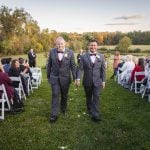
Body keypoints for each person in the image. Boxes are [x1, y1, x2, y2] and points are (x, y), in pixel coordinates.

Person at [47, 36, 76, 123]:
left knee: (64, 95)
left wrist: (75, 78)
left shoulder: (70, 52)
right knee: (55, 94)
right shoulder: (52, 52)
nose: (60, 45)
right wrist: (48, 76)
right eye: (58, 44)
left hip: (65, 78)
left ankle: (63, 108)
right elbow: (49, 65)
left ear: (65, 44)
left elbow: (73, 66)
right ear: (56, 44)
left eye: (61, 44)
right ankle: (54, 114)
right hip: (54, 78)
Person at [76, 40, 106, 122]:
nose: (93, 47)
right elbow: (80, 69)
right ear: (89, 46)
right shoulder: (83, 56)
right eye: (91, 45)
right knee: (88, 97)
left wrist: (103, 81)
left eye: (94, 45)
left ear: (97, 46)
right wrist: (78, 78)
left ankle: (95, 115)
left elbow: (103, 70)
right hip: (87, 80)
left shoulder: (101, 56)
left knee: (96, 97)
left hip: (97, 81)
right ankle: (89, 110)